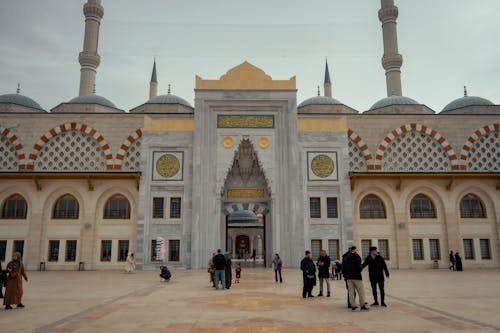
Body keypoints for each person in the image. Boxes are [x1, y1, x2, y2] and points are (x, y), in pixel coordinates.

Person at [343, 246, 368, 311]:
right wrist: (362, 267)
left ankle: (353, 305)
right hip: (357, 277)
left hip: (348, 277)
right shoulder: (357, 257)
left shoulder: (346, 257)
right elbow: (359, 268)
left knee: (351, 292)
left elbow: (344, 267)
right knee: (361, 292)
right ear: (355, 250)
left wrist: (345, 276)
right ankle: (362, 305)